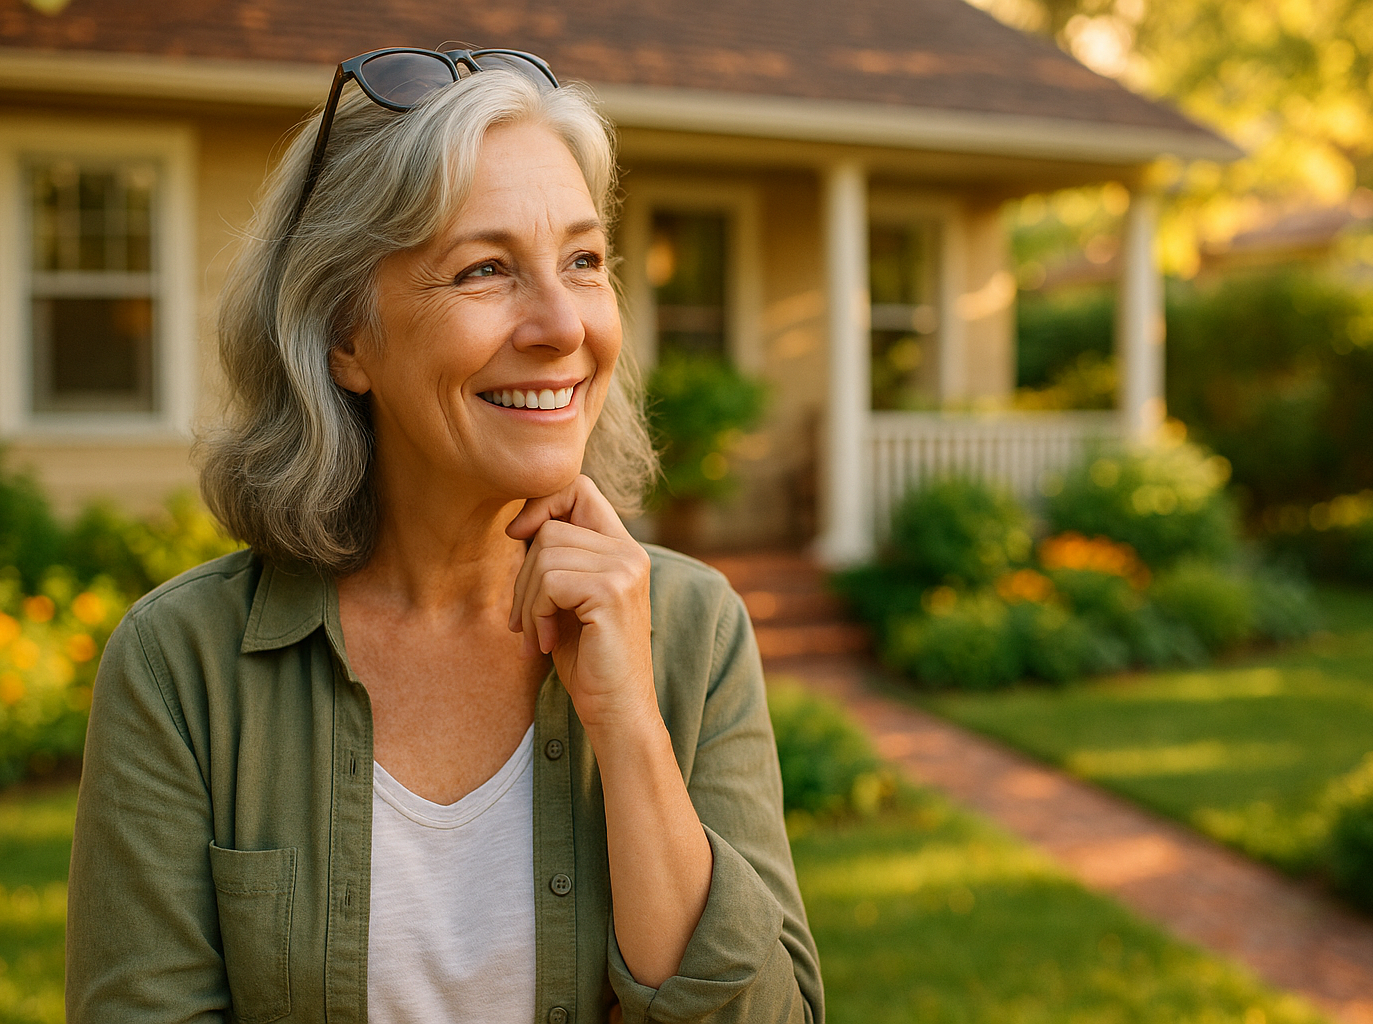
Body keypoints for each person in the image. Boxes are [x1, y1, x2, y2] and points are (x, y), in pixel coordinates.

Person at [64, 46, 824, 1024]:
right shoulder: (184, 670)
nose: (561, 325)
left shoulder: (694, 631)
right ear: (346, 338)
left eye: (584, 261)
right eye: (485, 269)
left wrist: (631, 723)